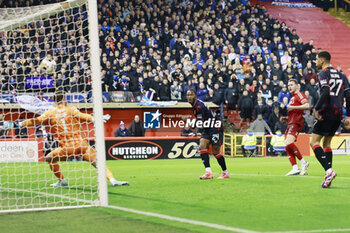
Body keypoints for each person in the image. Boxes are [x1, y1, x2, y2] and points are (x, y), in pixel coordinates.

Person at [2, 92, 129, 187]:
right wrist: (96, 118)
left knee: (49, 158)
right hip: (82, 145)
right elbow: (82, 116)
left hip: (67, 148)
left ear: (55, 101)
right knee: (98, 163)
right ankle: (113, 180)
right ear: (64, 99)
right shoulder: (71, 108)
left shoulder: (50, 112)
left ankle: (62, 181)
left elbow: (35, 121)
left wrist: (17, 124)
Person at [310, 51, 350, 188]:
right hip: (338, 114)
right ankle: (329, 175)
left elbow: (326, 91)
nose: (316, 62)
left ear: (322, 60)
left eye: (316, 60)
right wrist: (348, 115)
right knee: (327, 143)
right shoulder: (342, 75)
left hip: (326, 112)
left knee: (314, 142)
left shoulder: (323, 74)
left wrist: (316, 108)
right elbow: (348, 96)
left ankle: (328, 171)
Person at [186, 89, 229, 179]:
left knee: (215, 152)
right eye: (188, 95)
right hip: (208, 127)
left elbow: (200, 123)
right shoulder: (194, 106)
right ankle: (208, 172)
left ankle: (225, 172)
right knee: (202, 146)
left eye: (191, 95)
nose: (189, 97)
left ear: (195, 96)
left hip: (215, 128)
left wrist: (190, 125)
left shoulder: (199, 106)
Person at [284, 79, 310, 176]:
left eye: (291, 85)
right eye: (288, 85)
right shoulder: (292, 97)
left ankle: (303, 162)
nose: (289, 87)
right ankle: (295, 168)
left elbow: (307, 105)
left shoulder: (299, 95)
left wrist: (293, 107)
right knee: (287, 145)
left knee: (288, 143)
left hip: (296, 123)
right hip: (290, 123)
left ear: (297, 86)